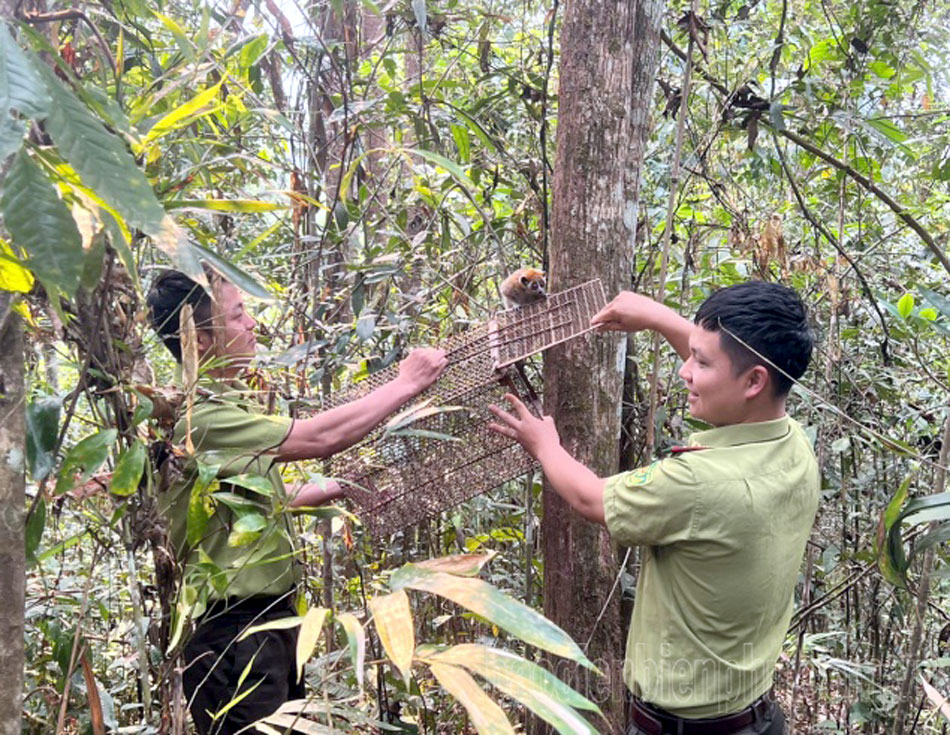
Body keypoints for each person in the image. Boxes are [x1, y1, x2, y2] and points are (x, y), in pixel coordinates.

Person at [488, 281, 818, 735]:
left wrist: (545, 445)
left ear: (755, 380)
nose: (685, 371)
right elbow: (737, 366)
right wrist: (659, 317)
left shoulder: (698, 483)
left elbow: (590, 498)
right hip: (755, 720)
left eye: (700, 362)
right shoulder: (793, 444)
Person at [146, 268, 447, 735]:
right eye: (238, 315)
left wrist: (336, 489)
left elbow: (253, 501)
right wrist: (406, 383)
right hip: (233, 633)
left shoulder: (225, 410)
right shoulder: (200, 419)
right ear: (200, 340)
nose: (251, 326)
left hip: (270, 624)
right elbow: (320, 436)